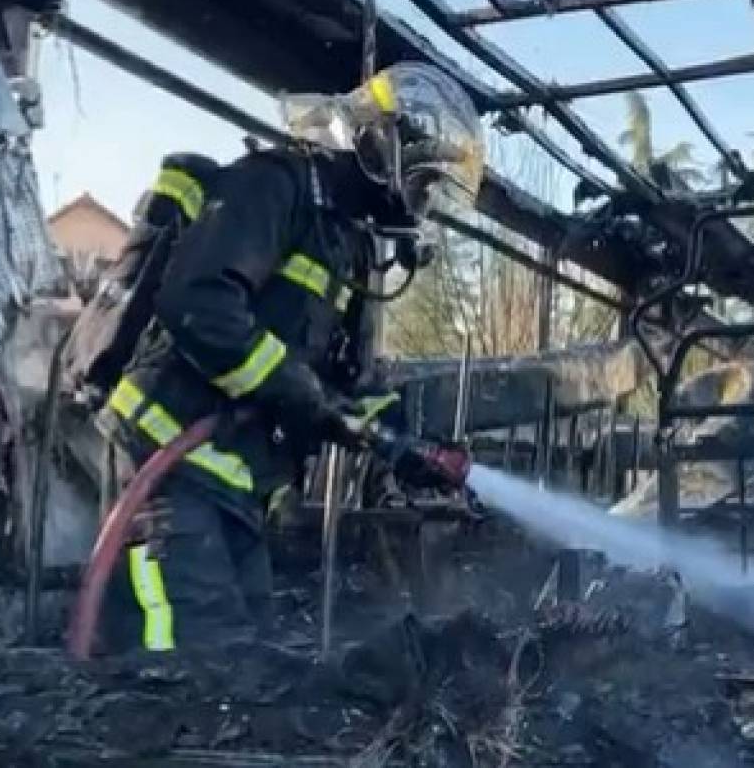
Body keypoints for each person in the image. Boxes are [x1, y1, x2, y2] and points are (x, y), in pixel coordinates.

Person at [97, 62, 485, 653]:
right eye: (423, 182)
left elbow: (343, 386)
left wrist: (407, 446)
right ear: (384, 145)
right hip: (170, 466)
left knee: (251, 666)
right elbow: (199, 304)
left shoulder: (347, 242)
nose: (422, 202)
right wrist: (304, 395)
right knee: (190, 667)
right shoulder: (273, 183)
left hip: (236, 488)